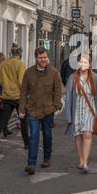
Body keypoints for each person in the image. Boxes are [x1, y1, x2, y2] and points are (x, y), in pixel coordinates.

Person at [20, 47, 62, 175]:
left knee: (47, 135)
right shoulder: (29, 73)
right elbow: (23, 92)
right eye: (40, 58)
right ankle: (31, 163)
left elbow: (58, 92)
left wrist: (55, 106)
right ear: (36, 58)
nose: (43, 60)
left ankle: (47, 157)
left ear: (47, 57)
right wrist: (22, 109)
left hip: (48, 110)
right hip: (32, 110)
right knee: (34, 135)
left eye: (44, 57)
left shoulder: (54, 73)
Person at [65, 54, 97, 173]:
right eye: (80, 62)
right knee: (78, 136)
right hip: (76, 110)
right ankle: (81, 159)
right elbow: (68, 98)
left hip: (90, 110)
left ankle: (85, 163)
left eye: (85, 62)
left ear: (89, 64)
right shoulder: (72, 78)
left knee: (87, 134)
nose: (82, 64)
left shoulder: (95, 78)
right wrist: (68, 115)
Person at [0, 43, 29, 154]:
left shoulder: (3, 64)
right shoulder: (20, 65)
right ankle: (27, 143)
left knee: (2, 121)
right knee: (23, 120)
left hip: (6, 96)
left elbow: (0, 81)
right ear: (20, 53)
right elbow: (21, 82)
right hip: (18, 96)